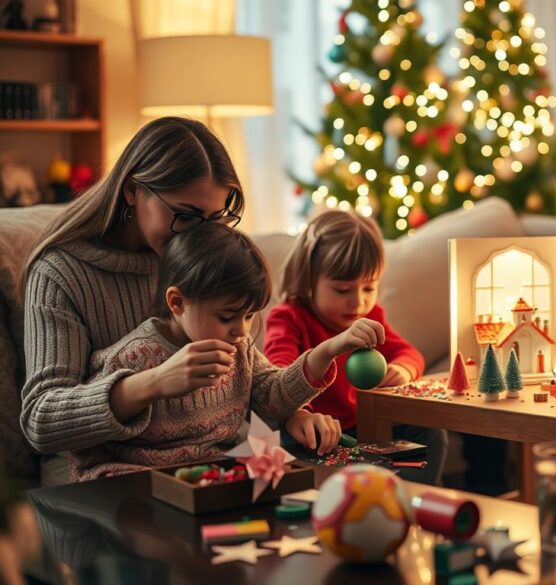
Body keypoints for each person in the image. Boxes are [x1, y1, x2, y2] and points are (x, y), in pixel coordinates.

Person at [20, 117, 246, 485]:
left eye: (214, 218)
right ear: (131, 191)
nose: (200, 237)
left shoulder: (196, 259)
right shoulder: (60, 273)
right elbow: (40, 420)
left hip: (199, 466)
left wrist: (292, 414)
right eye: (185, 216)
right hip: (99, 475)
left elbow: (248, 369)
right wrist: (153, 382)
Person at [69, 223, 366, 481]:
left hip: (216, 475)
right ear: (177, 302)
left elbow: (272, 398)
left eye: (249, 316)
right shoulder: (136, 355)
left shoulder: (239, 349)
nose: (242, 331)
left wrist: (327, 351)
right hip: (136, 480)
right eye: (226, 317)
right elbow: (88, 442)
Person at [263, 211, 448, 485]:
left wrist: (402, 369)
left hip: (362, 426)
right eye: (342, 290)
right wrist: (299, 415)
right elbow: (279, 374)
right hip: (313, 429)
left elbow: (409, 353)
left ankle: (405, 502)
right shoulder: (288, 318)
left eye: (368, 288)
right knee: (283, 439)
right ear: (309, 280)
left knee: (430, 434)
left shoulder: (370, 317)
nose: (358, 302)